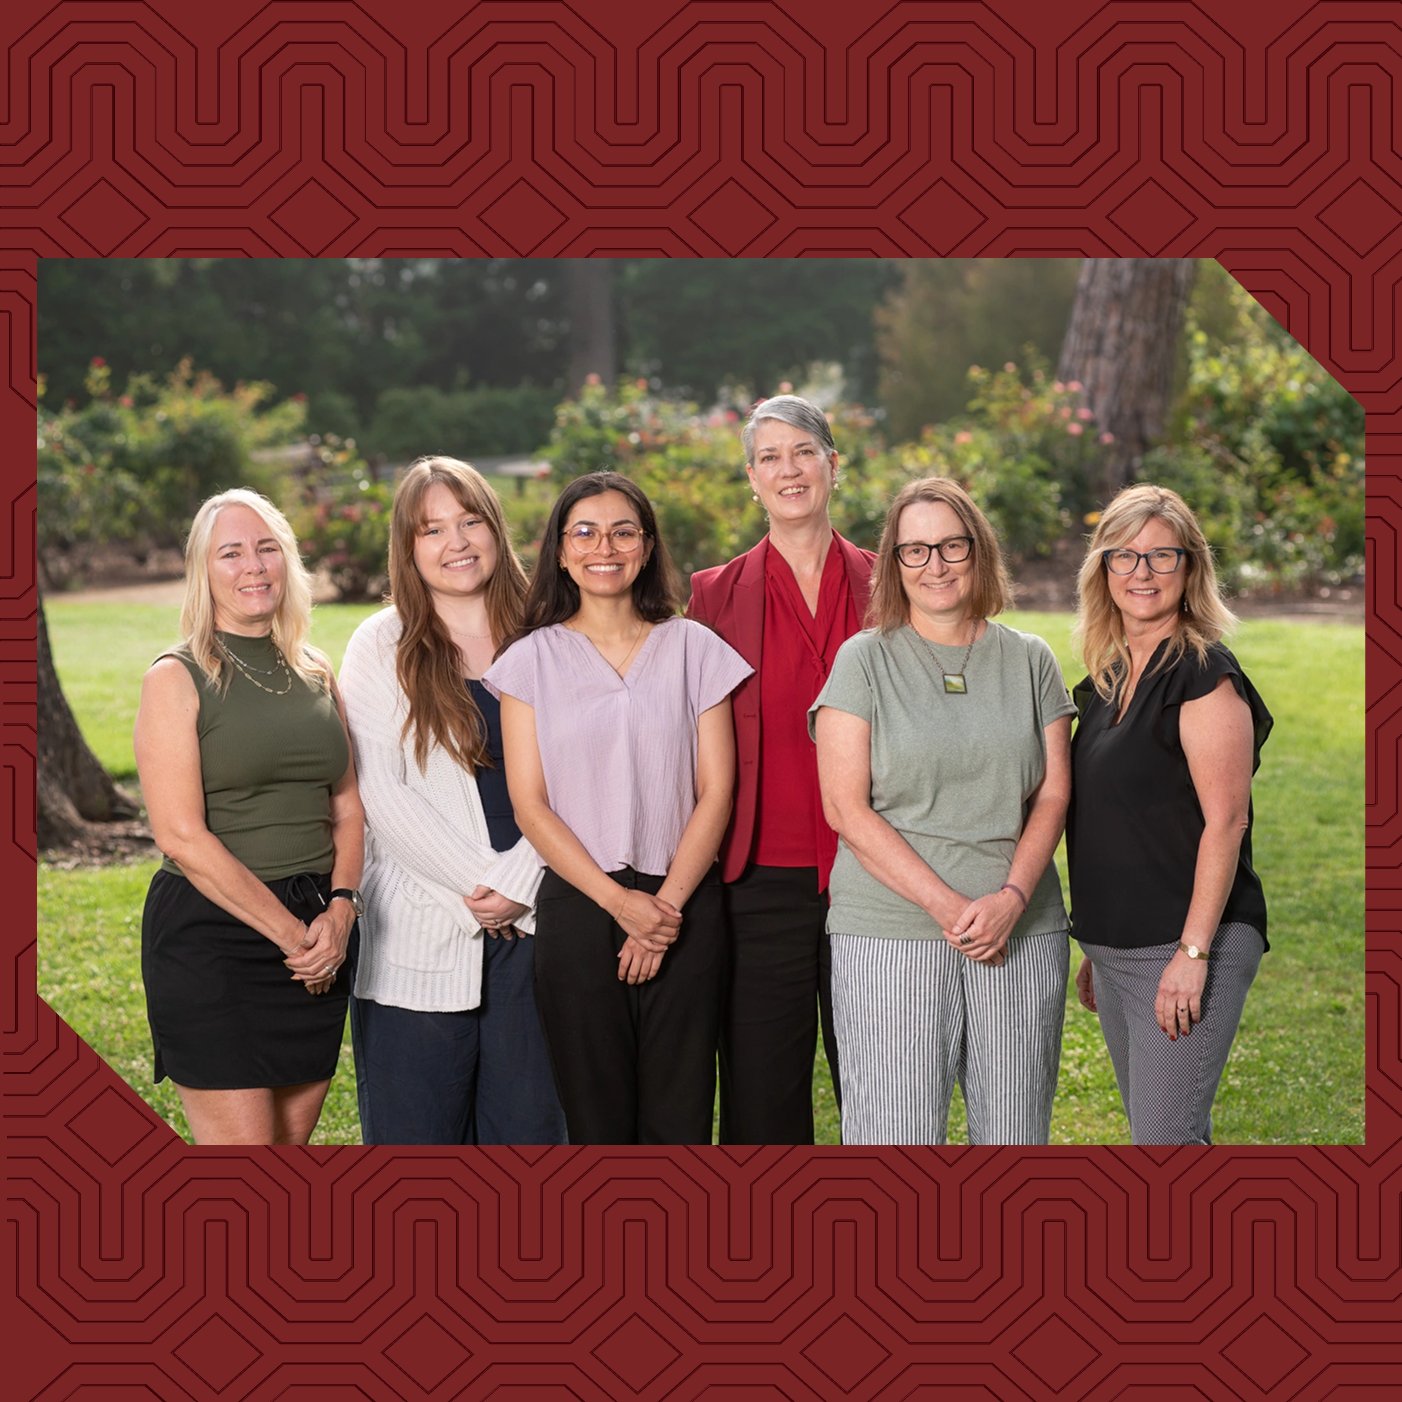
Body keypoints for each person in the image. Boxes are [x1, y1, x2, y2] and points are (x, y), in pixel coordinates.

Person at [484, 471, 751, 1145]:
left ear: (648, 546)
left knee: (680, 1115)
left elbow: (716, 792)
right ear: (560, 550)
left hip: (684, 903)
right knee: (595, 1121)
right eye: (585, 532)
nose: (604, 547)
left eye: (623, 532)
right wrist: (619, 904)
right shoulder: (529, 661)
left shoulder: (695, 648)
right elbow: (531, 805)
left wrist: (662, 913)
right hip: (581, 908)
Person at [810, 476, 1075, 1146]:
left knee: (1015, 1138)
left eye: (952, 546)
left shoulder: (1031, 659)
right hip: (890, 932)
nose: (936, 565)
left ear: (978, 550)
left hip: (1021, 931)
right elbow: (845, 808)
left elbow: (1052, 794)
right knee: (893, 1138)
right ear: (894, 563)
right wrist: (948, 907)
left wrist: (1012, 899)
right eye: (916, 550)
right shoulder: (863, 661)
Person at [337, 457, 566, 1145]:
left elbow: (589, 775)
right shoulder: (380, 644)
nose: (456, 542)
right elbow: (381, 790)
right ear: (408, 549)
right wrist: (483, 882)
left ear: (495, 527)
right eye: (431, 529)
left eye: (470, 522)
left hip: (541, 922)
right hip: (419, 926)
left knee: (532, 1137)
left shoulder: (552, 632)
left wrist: (521, 881)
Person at [135, 488, 363, 1145]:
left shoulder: (316, 670)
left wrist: (341, 911)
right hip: (216, 937)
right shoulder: (176, 677)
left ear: (288, 561)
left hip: (319, 928)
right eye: (230, 553)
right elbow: (181, 836)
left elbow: (347, 805)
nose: (253, 566)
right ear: (203, 572)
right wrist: (294, 938)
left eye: (267, 548)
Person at [687, 394, 875, 1145]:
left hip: (877, 874)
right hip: (757, 879)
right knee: (763, 1098)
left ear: (833, 464)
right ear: (752, 478)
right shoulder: (712, 597)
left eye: (803, 452)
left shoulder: (890, 585)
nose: (788, 470)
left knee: (884, 1088)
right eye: (770, 457)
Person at [1068, 484, 1272, 1145]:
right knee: (1164, 1137)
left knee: (1165, 1142)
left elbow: (1226, 823)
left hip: (1183, 943)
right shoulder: (1107, 681)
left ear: (1190, 569)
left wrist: (1192, 952)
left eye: (1162, 555)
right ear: (1103, 569)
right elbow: (1116, 818)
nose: (1143, 572)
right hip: (1118, 950)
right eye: (1124, 556)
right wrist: (1102, 946)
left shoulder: (1203, 675)